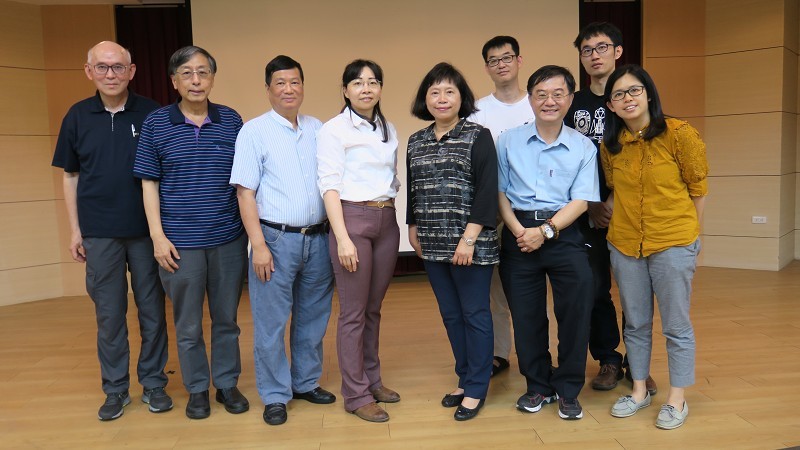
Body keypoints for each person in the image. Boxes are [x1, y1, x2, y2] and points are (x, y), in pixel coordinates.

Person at [52, 41, 170, 421]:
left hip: (146, 232)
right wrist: (75, 231)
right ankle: (116, 388)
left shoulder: (152, 113)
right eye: (101, 67)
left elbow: (164, 175)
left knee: (152, 311)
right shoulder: (76, 116)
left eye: (118, 67)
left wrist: (162, 232)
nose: (110, 74)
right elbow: (71, 176)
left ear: (131, 71)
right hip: (99, 233)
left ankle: (154, 382)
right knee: (109, 315)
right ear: (89, 72)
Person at [133, 46, 249, 420]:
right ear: (174, 81)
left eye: (203, 72)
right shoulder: (156, 124)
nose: (195, 80)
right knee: (187, 324)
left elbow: (245, 181)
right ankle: (197, 388)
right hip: (179, 243)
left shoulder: (232, 120)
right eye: (187, 73)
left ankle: (226, 384)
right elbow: (148, 183)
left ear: (212, 78)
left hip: (228, 238)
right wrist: (157, 236)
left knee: (227, 320)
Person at [230, 55, 335, 426]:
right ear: (268, 89)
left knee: (313, 318)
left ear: (303, 86)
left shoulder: (318, 128)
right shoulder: (253, 131)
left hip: (319, 238)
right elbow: (245, 193)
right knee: (271, 322)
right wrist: (258, 245)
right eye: (280, 83)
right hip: (275, 240)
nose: (289, 89)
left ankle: (305, 382)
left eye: (295, 82)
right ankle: (275, 394)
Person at [602, 65, 708, 430]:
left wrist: (692, 237)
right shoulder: (611, 144)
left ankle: (677, 398)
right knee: (636, 323)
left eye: (634, 90)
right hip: (625, 244)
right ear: (611, 105)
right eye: (618, 94)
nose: (627, 98)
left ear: (648, 93)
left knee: (676, 325)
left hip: (673, 242)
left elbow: (698, 189)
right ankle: (638, 390)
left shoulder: (679, 134)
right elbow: (614, 190)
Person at [497, 65, 598, 421]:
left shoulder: (583, 146)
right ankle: (538, 385)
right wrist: (519, 231)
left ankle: (568, 388)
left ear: (570, 99)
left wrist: (545, 231)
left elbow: (582, 200)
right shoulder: (508, 141)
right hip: (519, 233)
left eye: (558, 94)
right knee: (526, 318)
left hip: (564, 233)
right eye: (541, 94)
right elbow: (499, 192)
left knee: (574, 314)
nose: (549, 101)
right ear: (530, 99)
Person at [565, 22, 657, 395]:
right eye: (586, 50)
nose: (594, 55)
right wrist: (590, 203)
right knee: (594, 289)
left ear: (618, 51)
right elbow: (564, 159)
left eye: (602, 47)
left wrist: (612, 201)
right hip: (584, 213)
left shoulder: (631, 98)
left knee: (637, 292)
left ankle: (639, 364)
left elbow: (644, 156)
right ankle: (608, 359)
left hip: (631, 211)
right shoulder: (571, 103)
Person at [407, 62, 498, 422]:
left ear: (462, 98)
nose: (441, 98)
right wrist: (412, 226)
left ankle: (477, 388)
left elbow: (488, 191)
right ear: (425, 99)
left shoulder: (478, 135)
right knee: (451, 315)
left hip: (470, 245)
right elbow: (413, 189)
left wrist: (469, 238)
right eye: (434, 92)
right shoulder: (416, 140)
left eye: (449, 91)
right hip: (431, 243)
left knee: (474, 314)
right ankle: (465, 378)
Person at [317, 59, 401, 423]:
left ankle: (373, 380)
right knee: (353, 312)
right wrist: (342, 238)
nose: (366, 88)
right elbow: (329, 186)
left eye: (373, 82)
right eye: (357, 82)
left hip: (386, 219)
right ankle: (355, 394)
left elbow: (391, 176)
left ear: (380, 88)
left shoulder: (387, 127)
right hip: (352, 219)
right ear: (345, 90)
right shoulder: (333, 130)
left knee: (373, 308)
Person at [467, 36, 535, 377]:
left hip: (531, 207)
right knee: (493, 285)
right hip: (491, 207)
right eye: (494, 60)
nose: (501, 64)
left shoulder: (537, 103)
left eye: (507, 57)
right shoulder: (477, 110)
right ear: (487, 68)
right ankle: (499, 352)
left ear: (519, 61)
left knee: (532, 286)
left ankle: (536, 354)